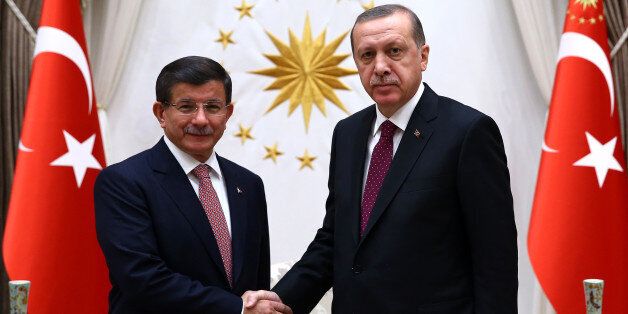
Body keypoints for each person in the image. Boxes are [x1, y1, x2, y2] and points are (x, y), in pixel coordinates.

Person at [244, 4, 518, 313]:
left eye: (395, 51)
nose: (381, 66)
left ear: (423, 56)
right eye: (367, 55)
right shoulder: (348, 133)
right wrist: (282, 300)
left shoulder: (468, 132)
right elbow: (336, 240)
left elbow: (495, 260)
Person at [94, 56, 290, 314]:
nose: (201, 119)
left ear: (227, 113)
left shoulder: (248, 185)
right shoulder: (124, 182)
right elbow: (141, 278)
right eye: (186, 106)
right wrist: (236, 309)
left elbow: (255, 281)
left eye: (212, 106)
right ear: (161, 113)